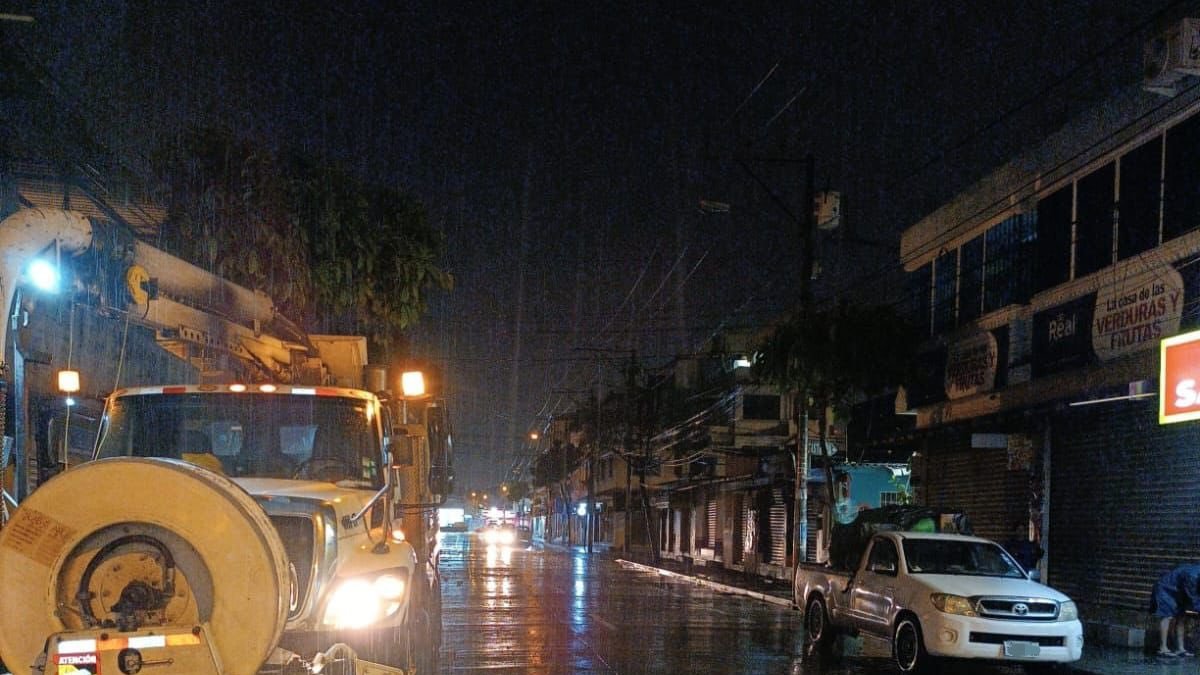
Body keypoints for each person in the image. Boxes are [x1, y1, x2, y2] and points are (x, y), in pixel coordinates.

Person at [1150, 563, 1200, 657]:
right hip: (1165, 588)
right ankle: (1163, 648)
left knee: (1182, 617)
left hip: (1180, 590)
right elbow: (1194, 598)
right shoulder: (1192, 576)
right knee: (1167, 616)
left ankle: (1180, 649)